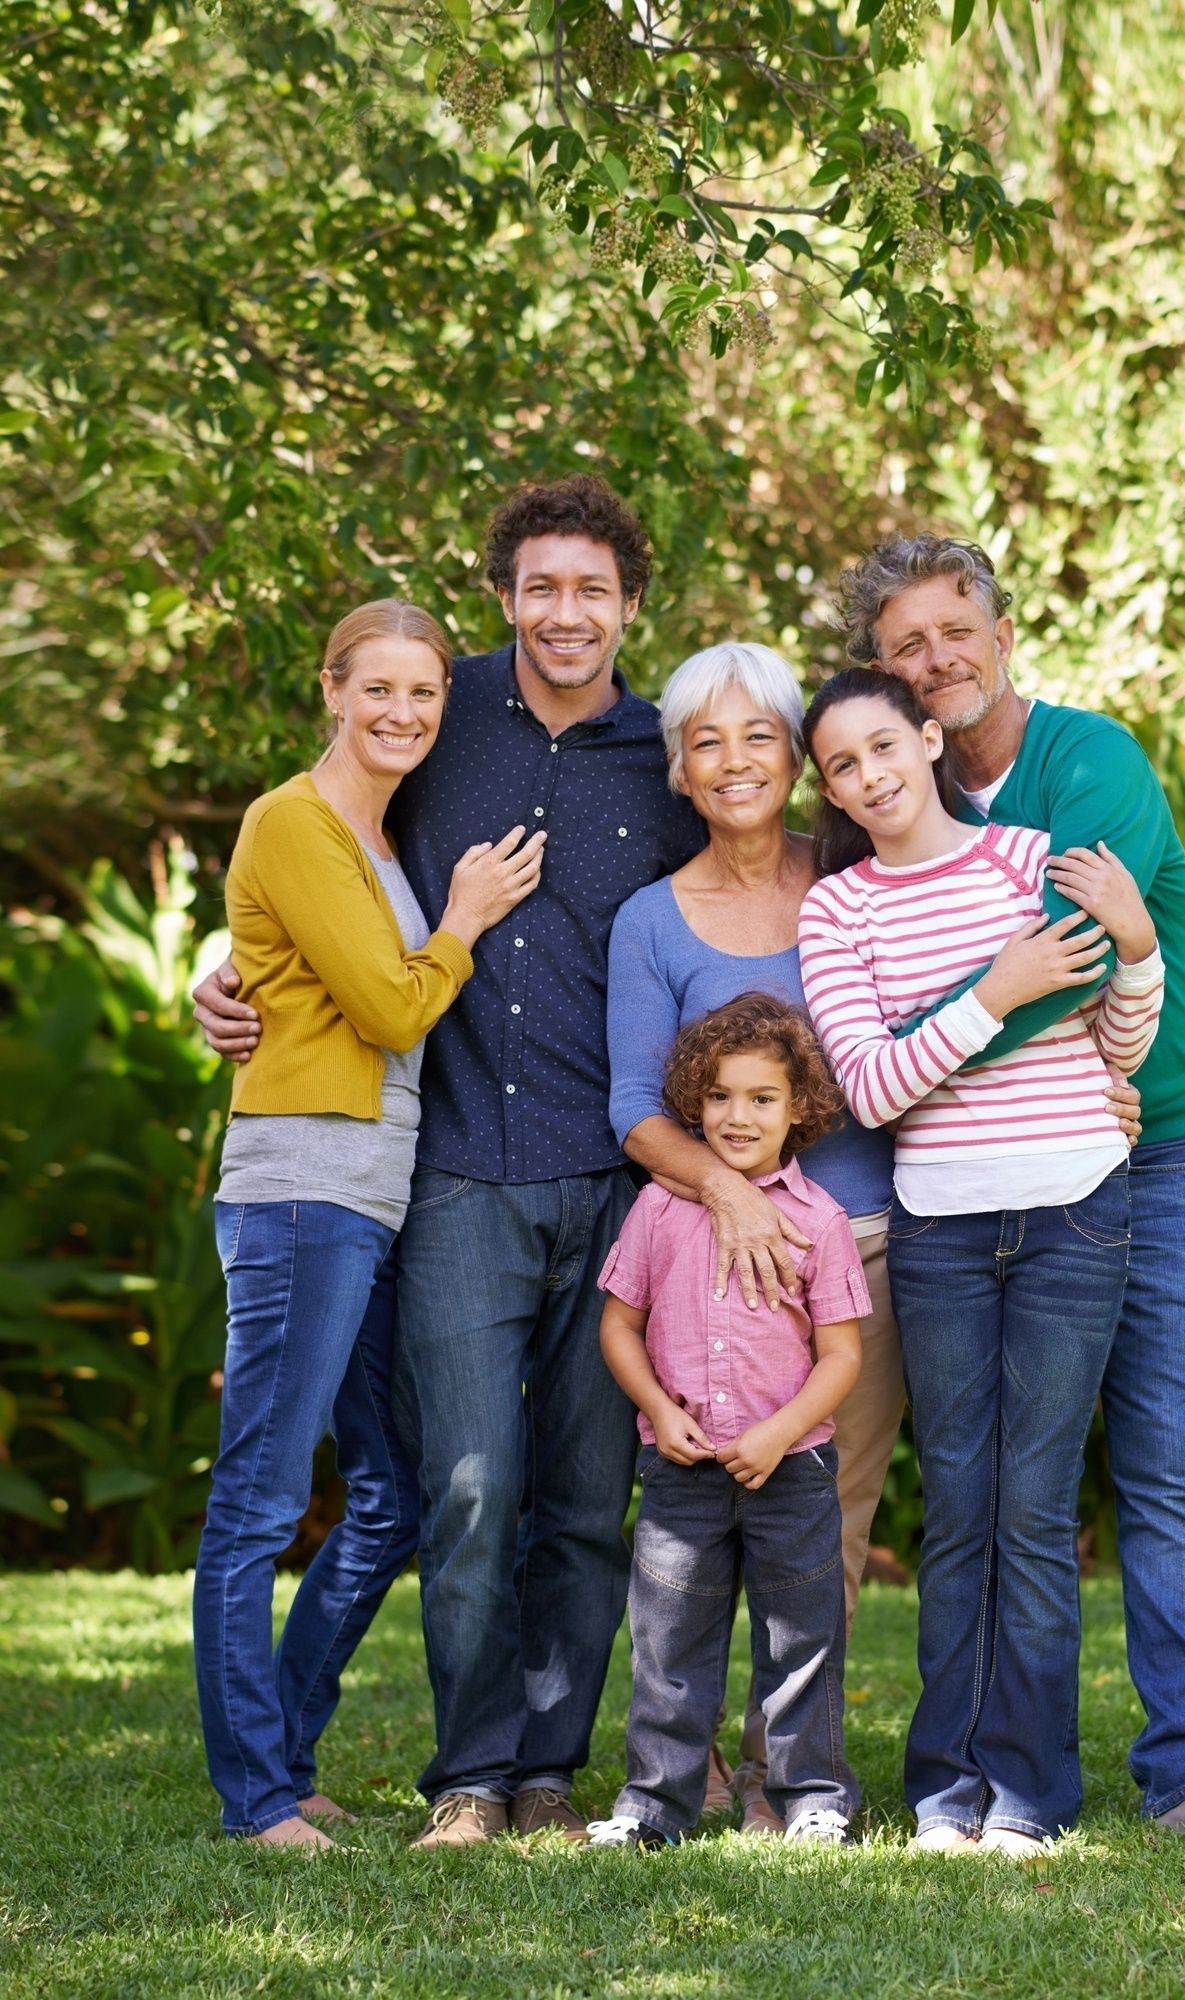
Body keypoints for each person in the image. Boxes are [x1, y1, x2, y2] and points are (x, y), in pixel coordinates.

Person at [194, 477, 713, 1848]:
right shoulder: (434, 714)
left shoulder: (663, 758)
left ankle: (546, 1771)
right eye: (538, 586)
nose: (563, 613)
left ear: (629, 606)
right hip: (450, 1179)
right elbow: (320, 847)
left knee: (584, 1508)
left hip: (613, 1181)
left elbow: (749, 886)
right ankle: (471, 1780)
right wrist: (217, 970)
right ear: (502, 597)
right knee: (467, 1493)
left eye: (590, 590)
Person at [834, 533, 1185, 1843]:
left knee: (1159, 1462)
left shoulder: (1089, 761)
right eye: (903, 647)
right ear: (878, 673)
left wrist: (898, 1062)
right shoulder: (889, 797)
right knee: (994, 1488)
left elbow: (1049, 956)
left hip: (1147, 1143)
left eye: (952, 631)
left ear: (999, 633)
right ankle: (997, 1777)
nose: (933, 660)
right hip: (982, 1174)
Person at [798, 668, 1165, 1856]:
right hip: (942, 1226)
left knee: (1033, 1506)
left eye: (882, 746)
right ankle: (947, 1790)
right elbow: (870, 1083)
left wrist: (1141, 946)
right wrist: (998, 990)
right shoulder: (838, 909)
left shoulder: (1026, 859)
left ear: (926, 733)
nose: (869, 775)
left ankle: (1030, 1796)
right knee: (959, 1509)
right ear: (835, 790)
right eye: (842, 766)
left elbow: (1117, 1027)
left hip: (1072, 1210)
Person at [195, 598, 509, 1845]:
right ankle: (256, 1793)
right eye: (377, 688)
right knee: (262, 1502)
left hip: (374, 1195)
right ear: (332, 688)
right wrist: (466, 922)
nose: (403, 712)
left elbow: (287, 973)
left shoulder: (381, 839)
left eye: (424, 693)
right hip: (299, 1192)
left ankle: (284, 1736)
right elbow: (387, 1006)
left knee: (391, 1492)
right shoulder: (294, 819)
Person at [605, 640, 899, 1832]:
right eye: (705, 739)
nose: (734, 760)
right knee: (685, 1553)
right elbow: (634, 1105)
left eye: (758, 734)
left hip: (858, 1247)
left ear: (798, 756)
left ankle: (788, 1771)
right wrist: (727, 1194)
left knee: (826, 1524)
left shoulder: (860, 882)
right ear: (679, 767)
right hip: (698, 1274)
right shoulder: (648, 920)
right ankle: (689, 1775)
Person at [588, 996, 868, 1850]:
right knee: (669, 1649)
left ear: (799, 1111)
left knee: (802, 1641)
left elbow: (842, 1357)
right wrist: (658, 1410)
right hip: (681, 1470)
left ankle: (811, 1797)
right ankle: (654, 1808)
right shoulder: (659, 1210)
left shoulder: (818, 1221)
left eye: (760, 1098)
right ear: (691, 1104)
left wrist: (780, 1431)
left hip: (790, 1470)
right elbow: (617, 1327)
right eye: (717, 1096)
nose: (736, 1116)